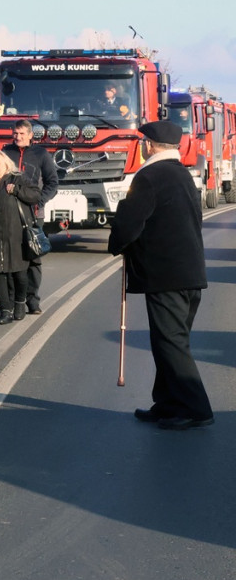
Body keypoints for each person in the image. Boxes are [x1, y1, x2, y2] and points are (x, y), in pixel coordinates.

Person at [108, 121, 212, 430]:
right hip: (189, 273)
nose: (142, 146)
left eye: (143, 142)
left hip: (167, 274)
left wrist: (118, 244)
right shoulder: (182, 175)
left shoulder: (150, 176)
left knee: (171, 342)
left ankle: (196, 408)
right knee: (168, 340)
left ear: (150, 146)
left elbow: (129, 221)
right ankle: (168, 403)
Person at [0, 120, 57, 314]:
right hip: (9, 213)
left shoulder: (41, 154)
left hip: (33, 214)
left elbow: (52, 183)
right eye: (15, 133)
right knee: (10, 257)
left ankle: (33, 300)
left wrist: (39, 202)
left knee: (32, 256)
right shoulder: (6, 152)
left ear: (31, 135)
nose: (18, 137)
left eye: (22, 133)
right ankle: (14, 300)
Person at [0, 151, 41, 324]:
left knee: (20, 273)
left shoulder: (17, 179)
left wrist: (17, 190)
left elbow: (35, 195)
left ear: (7, 166)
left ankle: (19, 303)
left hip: (17, 235)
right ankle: (5, 310)